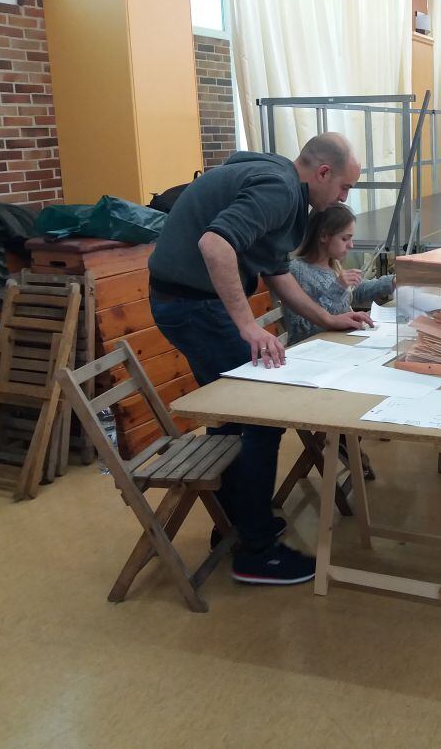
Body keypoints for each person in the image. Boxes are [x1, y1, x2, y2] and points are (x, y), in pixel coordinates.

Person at [147, 133, 372, 586]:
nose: (343, 198)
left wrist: (327, 317)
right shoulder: (280, 188)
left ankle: (236, 526)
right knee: (260, 416)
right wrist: (249, 326)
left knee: (233, 417)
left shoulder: (282, 187)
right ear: (323, 172)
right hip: (193, 306)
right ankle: (256, 551)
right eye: (345, 187)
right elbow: (215, 245)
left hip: (188, 302)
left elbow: (276, 271)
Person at [285, 203, 395, 345]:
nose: (351, 245)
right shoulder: (297, 271)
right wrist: (337, 288)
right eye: (345, 239)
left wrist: (391, 282)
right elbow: (301, 328)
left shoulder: (333, 265)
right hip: (313, 351)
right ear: (324, 236)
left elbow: (357, 290)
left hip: (341, 343)